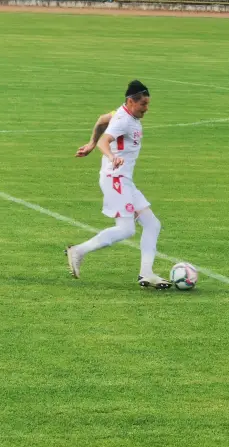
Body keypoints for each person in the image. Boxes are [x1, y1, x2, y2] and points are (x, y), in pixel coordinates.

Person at [66, 80, 171, 290]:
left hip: (125, 180)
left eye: (148, 104)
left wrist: (90, 144)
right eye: (143, 104)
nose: (147, 109)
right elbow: (106, 141)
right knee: (125, 230)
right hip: (115, 179)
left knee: (152, 224)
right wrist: (110, 154)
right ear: (131, 102)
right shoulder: (123, 120)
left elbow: (101, 120)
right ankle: (78, 251)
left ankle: (146, 273)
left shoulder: (120, 113)